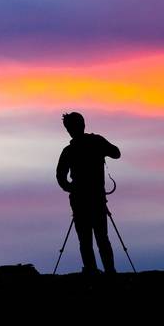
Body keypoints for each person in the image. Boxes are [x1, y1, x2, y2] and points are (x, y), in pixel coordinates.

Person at [56, 112, 120, 274]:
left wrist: (71, 188)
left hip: (79, 200)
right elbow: (116, 153)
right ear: (83, 124)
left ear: (68, 130)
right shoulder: (96, 142)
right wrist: (100, 145)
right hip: (96, 198)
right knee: (102, 237)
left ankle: (91, 270)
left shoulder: (69, 151)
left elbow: (60, 176)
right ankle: (109, 270)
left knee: (85, 239)